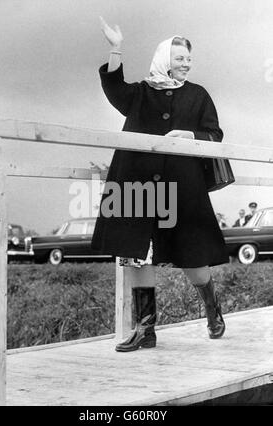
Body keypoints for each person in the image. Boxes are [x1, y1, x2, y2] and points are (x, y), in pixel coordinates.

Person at [92, 17, 229, 352]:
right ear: (166, 59)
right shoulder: (140, 93)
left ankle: (212, 308)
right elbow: (114, 89)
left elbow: (215, 135)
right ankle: (145, 329)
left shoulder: (198, 96)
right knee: (139, 257)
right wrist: (115, 48)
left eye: (188, 60)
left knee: (194, 262)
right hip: (137, 185)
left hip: (182, 187)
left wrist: (190, 135)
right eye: (180, 58)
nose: (186, 64)